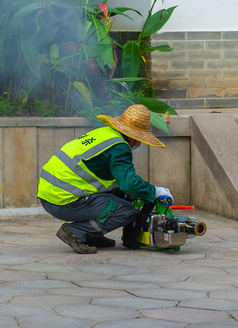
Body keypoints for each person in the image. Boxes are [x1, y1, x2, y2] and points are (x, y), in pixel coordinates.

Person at [37, 103, 172, 254]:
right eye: (139, 138)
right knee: (126, 211)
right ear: (132, 134)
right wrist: (155, 191)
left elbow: (114, 181)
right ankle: (75, 232)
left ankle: (91, 235)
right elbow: (129, 183)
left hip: (51, 194)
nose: (139, 143)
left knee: (121, 196)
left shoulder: (105, 133)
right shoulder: (119, 147)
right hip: (62, 199)